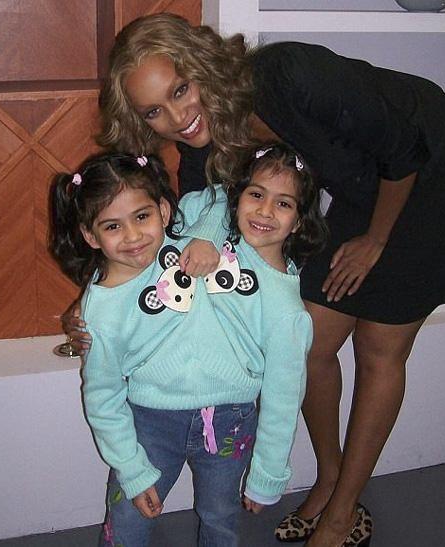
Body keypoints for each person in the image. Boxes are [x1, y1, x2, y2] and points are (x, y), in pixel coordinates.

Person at [63, 13, 445, 547]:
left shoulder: (289, 74)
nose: (178, 118)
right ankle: (331, 479)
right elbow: (181, 232)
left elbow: (404, 149)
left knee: (379, 346)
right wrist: (97, 297)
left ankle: (341, 513)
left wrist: (376, 240)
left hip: (438, 168)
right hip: (366, 187)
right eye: (155, 111)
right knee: (312, 343)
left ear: (202, 67)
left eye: (181, 89)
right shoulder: (201, 146)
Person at [51, 146, 326, 547]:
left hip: (229, 418)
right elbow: (102, 396)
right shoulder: (168, 252)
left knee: (220, 521)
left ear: (163, 212)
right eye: (113, 226)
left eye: (282, 203)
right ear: (91, 235)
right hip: (151, 420)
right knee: (127, 520)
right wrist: (132, 470)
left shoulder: (281, 305)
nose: (133, 236)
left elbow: (285, 393)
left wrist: (268, 472)